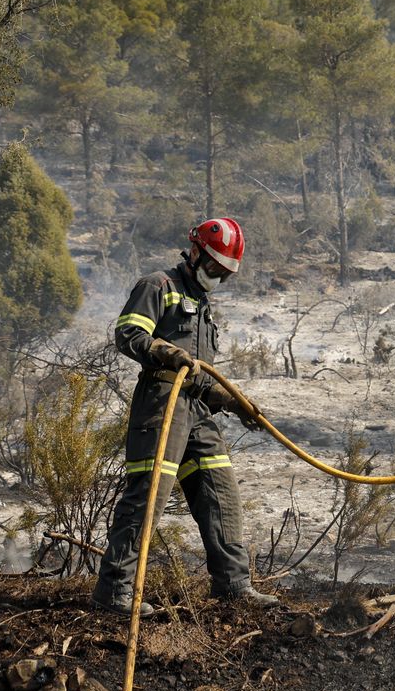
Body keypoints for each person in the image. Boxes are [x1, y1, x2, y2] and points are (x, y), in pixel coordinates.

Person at [91, 217, 279, 614]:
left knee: (220, 492)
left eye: (224, 274)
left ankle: (232, 584)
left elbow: (201, 377)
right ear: (195, 252)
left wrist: (230, 400)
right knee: (148, 497)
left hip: (197, 411)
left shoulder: (205, 307)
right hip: (162, 404)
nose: (217, 278)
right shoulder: (158, 286)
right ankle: (114, 592)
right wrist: (164, 350)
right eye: (213, 268)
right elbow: (129, 333)